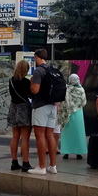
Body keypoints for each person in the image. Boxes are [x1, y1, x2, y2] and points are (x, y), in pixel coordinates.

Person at [28, 48, 59, 176]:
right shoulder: (51, 69)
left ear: (36, 57)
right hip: (52, 106)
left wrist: (31, 84)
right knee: (50, 135)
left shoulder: (38, 71)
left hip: (41, 106)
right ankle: (53, 166)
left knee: (40, 135)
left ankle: (41, 166)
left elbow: (35, 90)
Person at [7, 60, 33, 171]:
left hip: (13, 108)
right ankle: (25, 163)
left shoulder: (11, 81)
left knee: (15, 137)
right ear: (25, 70)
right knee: (25, 138)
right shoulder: (27, 82)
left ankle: (14, 162)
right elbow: (31, 94)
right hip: (24, 109)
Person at [58, 74, 87, 160]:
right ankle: (79, 153)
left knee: (67, 133)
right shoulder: (81, 89)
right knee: (78, 132)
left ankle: (66, 152)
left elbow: (63, 101)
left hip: (67, 113)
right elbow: (84, 101)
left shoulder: (67, 89)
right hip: (78, 113)